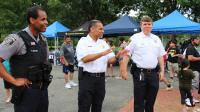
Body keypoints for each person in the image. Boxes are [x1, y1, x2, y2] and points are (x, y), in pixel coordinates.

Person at [0, 6, 52, 112]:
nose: (46, 22)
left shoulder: (43, 40)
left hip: (42, 91)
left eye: (46, 19)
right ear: (32, 20)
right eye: (43, 19)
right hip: (25, 94)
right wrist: (13, 81)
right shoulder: (17, 39)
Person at [120, 16, 165, 112]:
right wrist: (123, 71)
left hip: (153, 73)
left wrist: (162, 71)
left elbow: (160, 56)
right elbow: (127, 54)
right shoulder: (135, 38)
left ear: (152, 26)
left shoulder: (156, 39)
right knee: (139, 101)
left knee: (151, 101)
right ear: (141, 25)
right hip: (140, 73)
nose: (147, 26)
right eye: (145, 24)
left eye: (149, 24)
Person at [76, 20, 119, 112]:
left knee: (98, 105)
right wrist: (102, 53)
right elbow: (85, 59)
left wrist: (117, 56)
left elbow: (110, 60)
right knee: (84, 106)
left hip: (101, 79)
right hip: (87, 78)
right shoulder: (83, 41)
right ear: (92, 29)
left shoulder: (103, 43)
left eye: (103, 29)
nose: (103, 31)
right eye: (100, 29)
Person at [185, 36, 200, 103]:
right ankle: (191, 98)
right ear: (193, 40)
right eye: (197, 39)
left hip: (194, 69)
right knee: (194, 84)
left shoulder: (193, 47)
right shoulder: (190, 47)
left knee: (194, 84)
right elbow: (190, 58)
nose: (198, 41)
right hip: (193, 69)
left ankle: (191, 98)